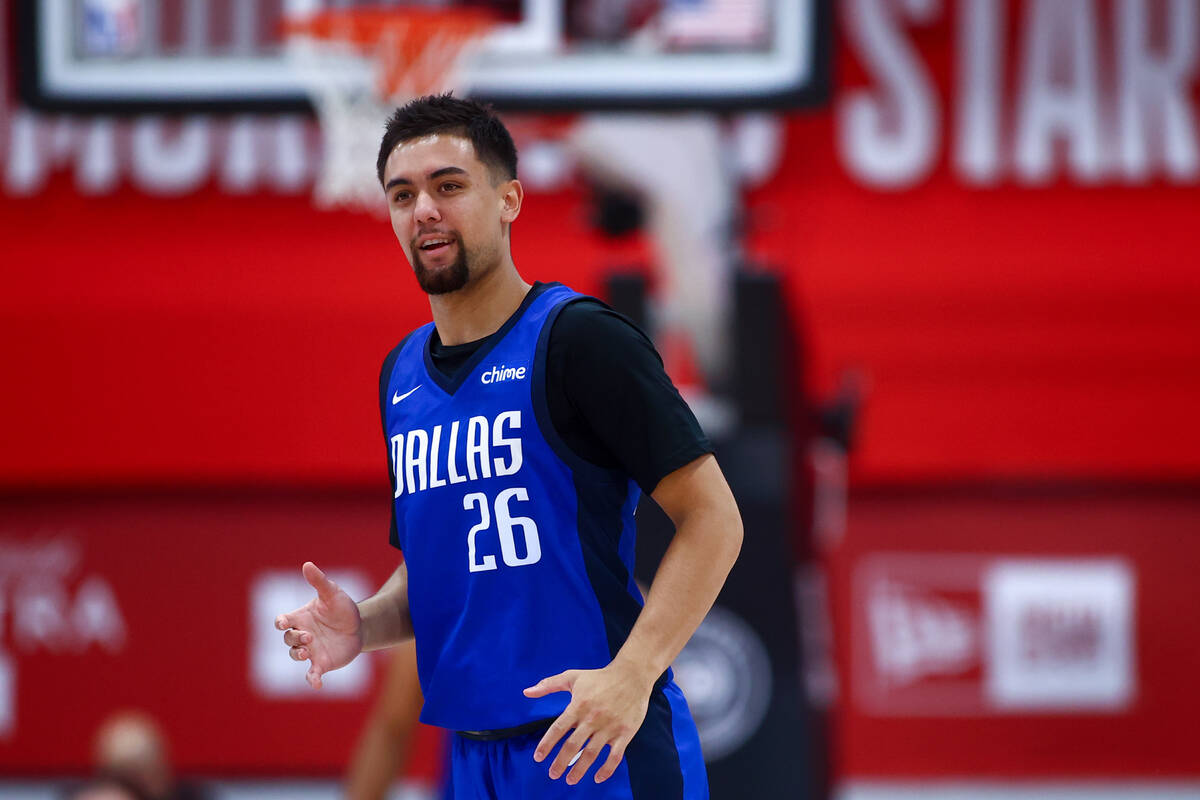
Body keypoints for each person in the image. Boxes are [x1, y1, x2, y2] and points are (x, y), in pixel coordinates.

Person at [275, 94, 743, 799]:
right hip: (474, 759)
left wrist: (633, 671)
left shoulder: (582, 340)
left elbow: (715, 520)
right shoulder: (401, 375)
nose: (424, 209)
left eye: (449, 186)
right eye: (403, 194)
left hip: (596, 744)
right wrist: (366, 623)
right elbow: (444, 568)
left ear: (509, 200)